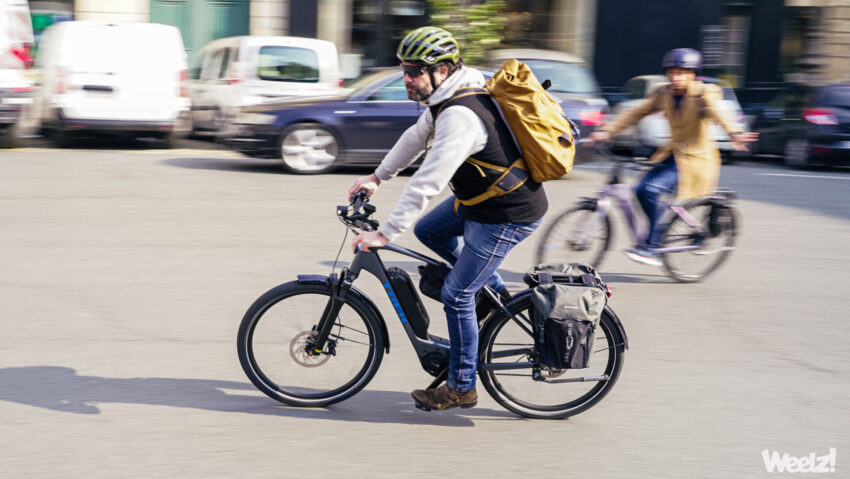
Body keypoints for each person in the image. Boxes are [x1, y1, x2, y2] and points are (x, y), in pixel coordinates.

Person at [347, 26, 547, 411]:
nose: (406, 78)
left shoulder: (460, 116)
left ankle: (461, 386)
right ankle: (491, 291)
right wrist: (377, 177)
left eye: (414, 71)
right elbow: (415, 137)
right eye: (404, 69)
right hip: (479, 200)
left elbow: (429, 180)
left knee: (457, 295)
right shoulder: (447, 97)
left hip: (506, 213)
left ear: (440, 69)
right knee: (429, 231)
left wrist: (386, 234)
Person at [588, 48, 757, 266]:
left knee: (652, 189)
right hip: (672, 154)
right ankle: (655, 235)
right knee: (639, 190)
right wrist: (607, 131)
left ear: (693, 74)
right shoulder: (663, 92)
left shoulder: (703, 94)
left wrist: (735, 132)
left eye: (683, 72)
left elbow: (718, 111)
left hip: (696, 159)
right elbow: (636, 112)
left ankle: (653, 246)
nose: (677, 77)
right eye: (673, 72)